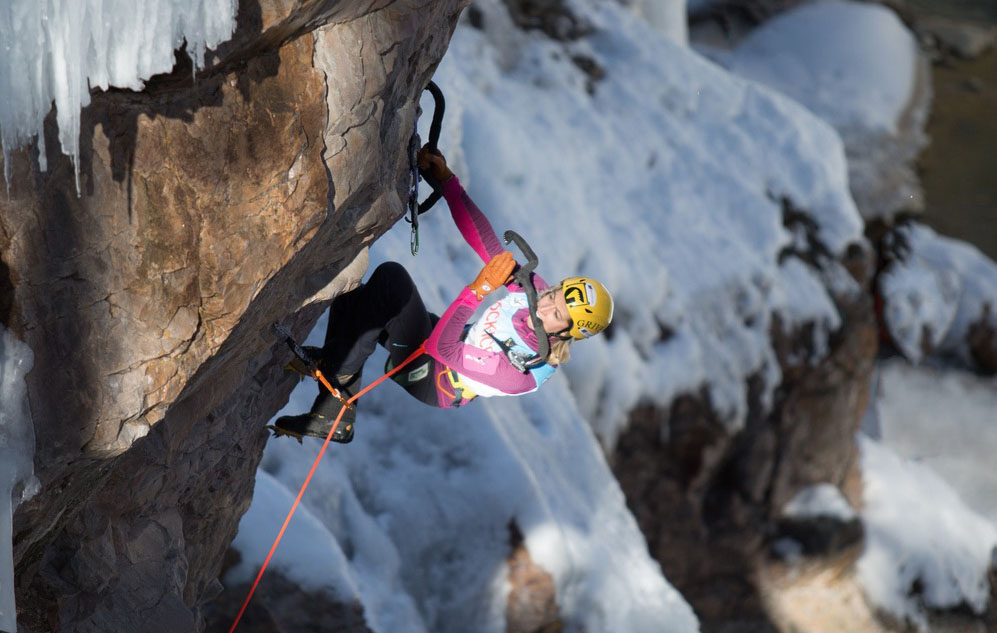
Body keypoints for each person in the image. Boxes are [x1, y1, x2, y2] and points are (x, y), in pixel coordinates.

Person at [271, 147, 614, 443]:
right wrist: (449, 184)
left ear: (566, 333)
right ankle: (334, 392)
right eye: (555, 295)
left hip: (434, 376)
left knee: (392, 280)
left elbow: (442, 349)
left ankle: (334, 396)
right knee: (358, 295)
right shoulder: (538, 296)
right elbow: (488, 245)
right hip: (445, 342)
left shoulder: (518, 374)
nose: (546, 305)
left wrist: (479, 289)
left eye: (557, 313)